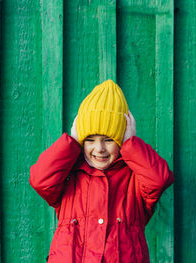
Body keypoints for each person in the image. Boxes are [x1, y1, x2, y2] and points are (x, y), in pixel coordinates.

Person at [30, 80, 174, 263]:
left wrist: (131, 144)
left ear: (122, 139)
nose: (99, 149)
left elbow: (159, 179)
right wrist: (72, 142)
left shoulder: (135, 179)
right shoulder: (69, 176)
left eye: (108, 140)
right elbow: (40, 179)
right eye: (90, 139)